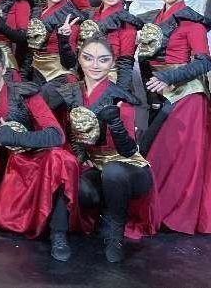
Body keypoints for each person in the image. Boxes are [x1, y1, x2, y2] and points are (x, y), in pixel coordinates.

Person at [0, 44, 79, 261]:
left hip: (45, 159)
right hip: (17, 169)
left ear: (3, 68)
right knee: (3, 219)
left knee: (59, 159)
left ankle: (58, 234)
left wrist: (14, 137)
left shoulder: (25, 93)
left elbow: (56, 135)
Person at [48, 37, 154, 262]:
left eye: (103, 60)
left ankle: (115, 237)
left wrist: (115, 122)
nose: (95, 65)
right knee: (65, 172)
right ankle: (58, 234)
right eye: (88, 58)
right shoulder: (70, 91)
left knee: (114, 171)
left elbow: (128, 150)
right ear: (79, 59)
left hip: (130, 169)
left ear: (112, 63)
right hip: (97, 167)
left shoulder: (120, 96)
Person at [138, 0, 211, 234]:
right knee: (162, 157)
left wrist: (168, 77)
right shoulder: (154, 17)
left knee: (176, 161)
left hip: (187, 97)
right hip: (161, 93)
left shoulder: (192, 21)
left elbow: (204, 62)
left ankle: (173, 213)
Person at [23, 0, 84, 91]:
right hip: (36, 71)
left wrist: (64, 38)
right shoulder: (38, 10)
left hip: (60, 75)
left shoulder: (71, 16)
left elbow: (70, 63)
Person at [87, 0, 142, 90]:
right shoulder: (91, 15)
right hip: (86, 78)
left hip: (111, 81)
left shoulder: (126, 21)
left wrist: (120, 95)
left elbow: (125, 64)